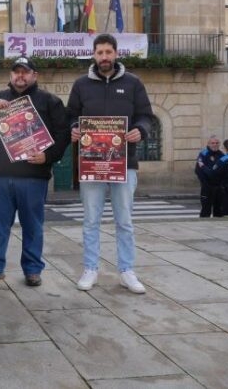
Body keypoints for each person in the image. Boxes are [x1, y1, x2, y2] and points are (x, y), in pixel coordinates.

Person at [0, 56, 70, 287]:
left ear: (34, 75)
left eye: (25, 72)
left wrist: (48, 156)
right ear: (11, 75)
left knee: (33, 227)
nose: (20, 76)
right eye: (16, 72)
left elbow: (63, 135)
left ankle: (33, 270)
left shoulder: (50, 101)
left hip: (33, 178)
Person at [67, 33, 153, 294]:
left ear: (116, 53)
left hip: (124, 163)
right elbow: (71, 116)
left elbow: (146, 116)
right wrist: (74, 128)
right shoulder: (81, 85)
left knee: (124, 221)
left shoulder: (133, 83)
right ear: (93, 55)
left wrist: (140, 130)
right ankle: (90, 268)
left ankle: (127, 271)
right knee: (90, 220)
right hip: (91, 164)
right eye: (99, 52)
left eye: (108, 52)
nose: (104, 57)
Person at [195, 135, 224, 217]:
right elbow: (198, 171)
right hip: (207, 187)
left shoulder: (221, 154)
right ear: (208, 144)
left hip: (219, 186)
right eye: (213, 143)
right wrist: (205, 183)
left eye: (217, 143)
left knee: (219, 210)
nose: (215, 145)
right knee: (206, 209)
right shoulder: (203, 154)